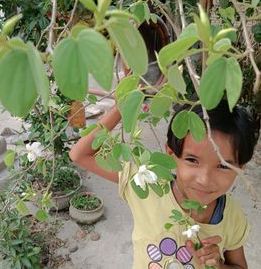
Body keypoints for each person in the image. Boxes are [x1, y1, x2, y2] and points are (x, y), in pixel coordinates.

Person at [69, 99, 259, 269]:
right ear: (171, 154)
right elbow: (79, 154)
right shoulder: (147, 184)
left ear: (240, 168)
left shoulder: (232, 216)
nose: (204, 179)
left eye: (223, 166)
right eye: (192, 160)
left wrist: (218, 265)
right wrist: (122, 105)